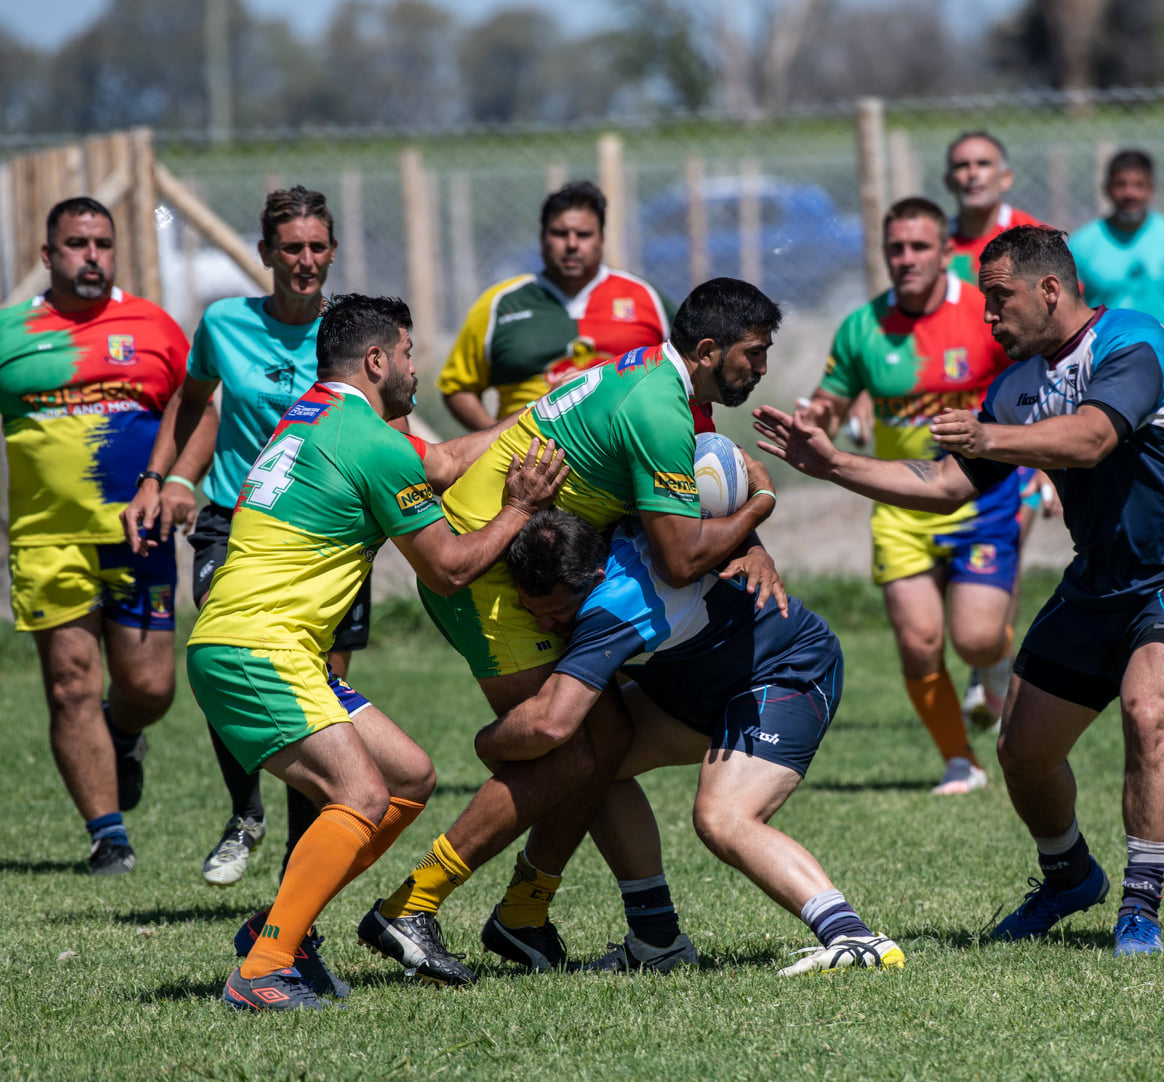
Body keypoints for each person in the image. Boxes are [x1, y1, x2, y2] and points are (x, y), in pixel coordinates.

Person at [758, 225, 1164, 958]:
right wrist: (833, 466)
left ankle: (1140, 906)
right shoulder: (1016, 387)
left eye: (998, 298)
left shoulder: (1132, 342)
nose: (987, 316)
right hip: (1100, 580)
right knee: (1021, 750)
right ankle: (1070, 877)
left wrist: (987, 438)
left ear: (1049, 289)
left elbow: (1090, 439)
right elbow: (944, 484)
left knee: (1148, 711)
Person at [361, 280, 786, 982]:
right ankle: (412, 904)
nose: (763, 367)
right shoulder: (656, 405)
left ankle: (524, 913)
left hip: (517, 550)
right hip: (494, 568)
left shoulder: (662, 382)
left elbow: (695, 492)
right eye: (755, 353)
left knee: (607, 743)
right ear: (709, 350)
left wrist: (751, 542)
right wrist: (761, 503)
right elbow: (680, 559)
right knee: (563, 747)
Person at [192, 294, 569, 1010]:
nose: (414, 366)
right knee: (360, 796)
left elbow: (447, 460)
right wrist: (519, 507)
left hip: (262, 642)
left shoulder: (315, 416)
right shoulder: (372, 442)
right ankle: (263, 970)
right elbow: (450, 570)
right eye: (406, 352)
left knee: (408, 776)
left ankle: (279, 926)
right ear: (376, 360)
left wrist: (541, 414)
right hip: (257, 647)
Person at [481, 507, 902, 975]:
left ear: (595, 578)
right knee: (592, 759)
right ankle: (656, 941)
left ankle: (853, 937)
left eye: (558, 613)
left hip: (785, 668)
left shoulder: (612, 605)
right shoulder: (632, 524)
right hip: (701, 683)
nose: (547, 626)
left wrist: (485, 746)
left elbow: (550, 723)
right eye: (534, 613)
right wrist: (755, 533)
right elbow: (730, 482)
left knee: (722, 817)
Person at [124, 184, 373, 888]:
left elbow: (388, 424)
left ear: (333, 250)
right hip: (234, 517)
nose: (305, 260)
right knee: (225, 649)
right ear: (265, 252)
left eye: (317, 247)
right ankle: (244, 813)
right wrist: (161, 477)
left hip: (325, 531)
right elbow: (192, 397)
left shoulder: (352, 333)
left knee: (317, 689)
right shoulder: (224, 323)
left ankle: (299, 863)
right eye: (291, 248)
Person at [803, 197, 1018, 795]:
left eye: (919, 246)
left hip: (981, 498)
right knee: (919, 643)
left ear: (946, 252)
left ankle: (995, 663)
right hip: (902, 505)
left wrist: (1044, 467)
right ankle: (960, 762)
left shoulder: (985, 315)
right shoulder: (862, 327)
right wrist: (818, 414)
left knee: (976, 639)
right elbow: (831, 399)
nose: (906, 258)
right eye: (895, 248)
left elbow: (1032, 383)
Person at [0, 197, 188, 875]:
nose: (92, 256)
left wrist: (176, 481)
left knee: (151, 687)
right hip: (47, 539)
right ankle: (108, 837)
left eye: (103, 244)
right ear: (48, 255)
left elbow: (195, 408)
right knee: (69, 684)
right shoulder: (11, 334)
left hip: (139, 534)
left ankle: (123, 732)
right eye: (77, 244)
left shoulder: (154, 328)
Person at [440, 180, 668, 431]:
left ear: (602, 239)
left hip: (627, 450)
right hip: (528, 453)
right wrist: (495, 439)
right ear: (542, 238)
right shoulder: (500, 303)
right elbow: (457, 387)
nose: (572, 244)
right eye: (560, 233)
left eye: (583, 234)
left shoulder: (646, 297)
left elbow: (689, 367)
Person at [1068, 150, 1164, 359]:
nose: (1130, 193)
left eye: (1139, 185)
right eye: (1121, 185)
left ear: (1151, 189)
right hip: (1105, 361)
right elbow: (1070, 313)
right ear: (1106, 189)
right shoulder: (1081, 245)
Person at [944, 131, 1042, 282]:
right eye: (962, 166)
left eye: (983, 164)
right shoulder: (934, 244)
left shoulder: (1034, 236)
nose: (972, 174)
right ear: (948, 181)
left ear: (1005, 178)